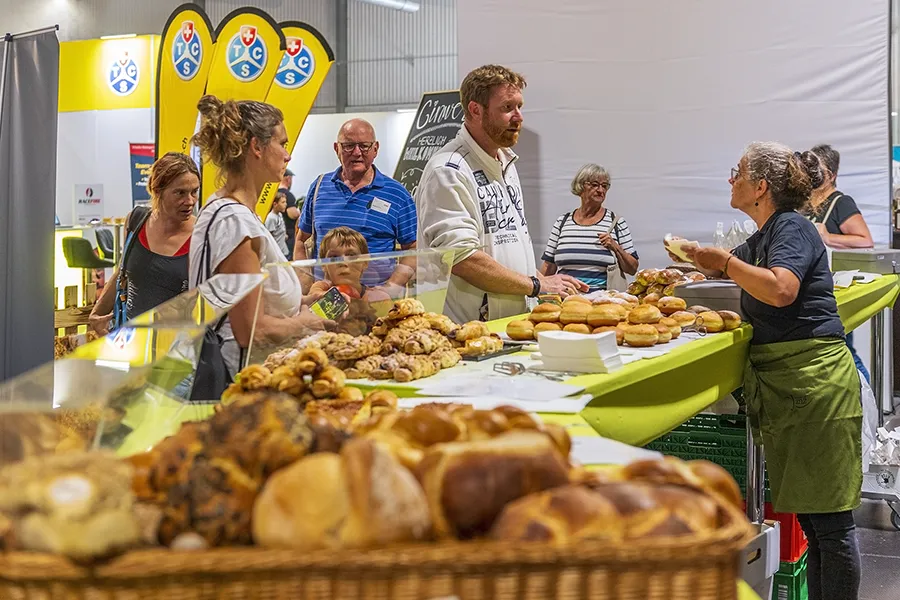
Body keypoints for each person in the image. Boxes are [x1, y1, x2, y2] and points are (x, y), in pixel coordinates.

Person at [684, 142, 862, 600]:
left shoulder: (793, 228)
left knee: (831, 525)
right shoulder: (765, 235)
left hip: (813, 382)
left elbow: (782, 290)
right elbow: (729, 272)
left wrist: (722, 261)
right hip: (793, 384)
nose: (730, 179)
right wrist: (693, 263)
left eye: (737, 171)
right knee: (814, 518)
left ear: (760, 186)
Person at [416, 64, 587, 323]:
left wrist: (543, 280)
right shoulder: (448, 170)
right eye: (507, 108)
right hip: (469, 331)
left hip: (509, 324)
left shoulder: (505, 162)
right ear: (475, 110)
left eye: (519, 106)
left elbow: (504, 243)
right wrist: (536, 285)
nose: (518, 117)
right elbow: (462, 258)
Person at [190, 95, 326, 376]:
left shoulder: (234, 212)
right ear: (257, 147)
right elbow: (252, 331)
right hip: (244, 380)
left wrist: (301, 303)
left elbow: (247, 303)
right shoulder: (235, 221)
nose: (288, 155)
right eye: (282, 143)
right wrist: (306, 323)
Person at [294, 118, 417, 292]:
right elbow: (301, 239)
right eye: (348, 145)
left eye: (364, 146)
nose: (357, 152)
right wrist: (305, 284)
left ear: (375, 149)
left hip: (374, 305)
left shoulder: (397, 194)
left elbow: (412, 249)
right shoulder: (319, 187)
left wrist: (390, 288)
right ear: (337, 148)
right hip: (324, 300)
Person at [89, 152, 199, 335]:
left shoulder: (200, 235)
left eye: (194, 192)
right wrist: (97, 314)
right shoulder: (136, 220)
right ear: (157, 190)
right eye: (180, 193)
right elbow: (123, 271)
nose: (189, 201)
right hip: (131, 344)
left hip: (175, 351)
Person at [802, 144, 874, 383]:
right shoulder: (802, 203)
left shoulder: (841, 203)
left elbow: (865, 240)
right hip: (807, 289)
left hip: (834, 289)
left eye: (817, 170)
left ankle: (868, 406)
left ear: (831, 175)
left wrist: (827, 236)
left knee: (844, 348)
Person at [540, 163, 639, 291]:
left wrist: (615, 247)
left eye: (604, 186)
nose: (600, 190)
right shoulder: (562, 222)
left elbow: (632, 268)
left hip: (603, 304)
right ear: (580, 186)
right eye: (594, 185)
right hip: (567, 302)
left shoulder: (616, 222)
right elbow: (548, 266)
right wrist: (537, 291)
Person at [307, 226, 391, 305]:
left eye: (351, 255)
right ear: (323, 265)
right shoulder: (320, 293)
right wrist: (315, 296)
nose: (343, 262)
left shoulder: (378, 299)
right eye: (334, 257)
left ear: (365, 262)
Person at [279, 168, 300, 257]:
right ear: (288, 178)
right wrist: (299, 212)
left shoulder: (273, 195)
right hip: (288, 237)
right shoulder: (288, 195)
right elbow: (292, 214)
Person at [265, 190, 290, 258]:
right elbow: (268, 237)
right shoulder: (271, 218)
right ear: (275, 204)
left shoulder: (280, 215)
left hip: (284, 252)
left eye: (285, 202)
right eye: (283, 202)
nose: (286, 204)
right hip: (277, 255)